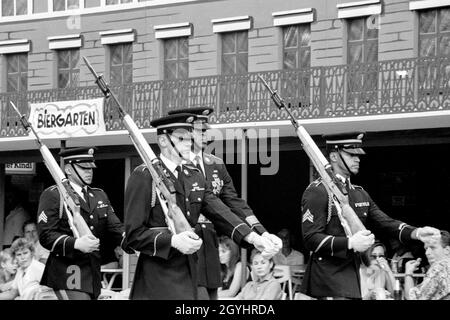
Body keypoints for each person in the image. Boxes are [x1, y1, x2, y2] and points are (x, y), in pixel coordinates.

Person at [122, 113, 278, 300]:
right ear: (163, 141)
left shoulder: (194, 176)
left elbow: (221, 211)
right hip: (157, 276)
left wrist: (253, 237)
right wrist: (171, 241)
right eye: (182, 138)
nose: (189, 143)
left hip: (189, 271)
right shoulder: (144, 175)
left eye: (190, 138)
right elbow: (133, 234)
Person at [300, 132, 440, 299]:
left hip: (355, 273)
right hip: (327, 277)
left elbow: (386, 222)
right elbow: (310, 238)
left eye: (358, 155)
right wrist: (350, 243)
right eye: (351, 155)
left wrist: (416, 233)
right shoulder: (318, 191)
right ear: (333, 157)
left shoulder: (359, 193)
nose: (357, 159)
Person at [168, 107, 281, 300]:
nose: (205, 134)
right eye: (200, 130)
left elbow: (234, 202)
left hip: (211, 242)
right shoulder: (172, 166)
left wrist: (261, 232)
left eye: (205, 130)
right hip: (185, 243)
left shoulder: (215, 163)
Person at [37, 147, 125, 300]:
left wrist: (135, 240)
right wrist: (76, 243)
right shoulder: (54, 194)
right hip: (67, 271)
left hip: (92, 271)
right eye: (83, 168)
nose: (89, 172)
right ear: (69, 169)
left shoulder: (99, 195)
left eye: (91, 168)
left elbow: (115, 227)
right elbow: (46, 235)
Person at [404, 230, 450, 300]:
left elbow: (412, 298)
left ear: (447, 250)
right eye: (426, 249)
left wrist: (408, 273)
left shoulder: (440, 267)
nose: (427, 253)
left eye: (432, 248)